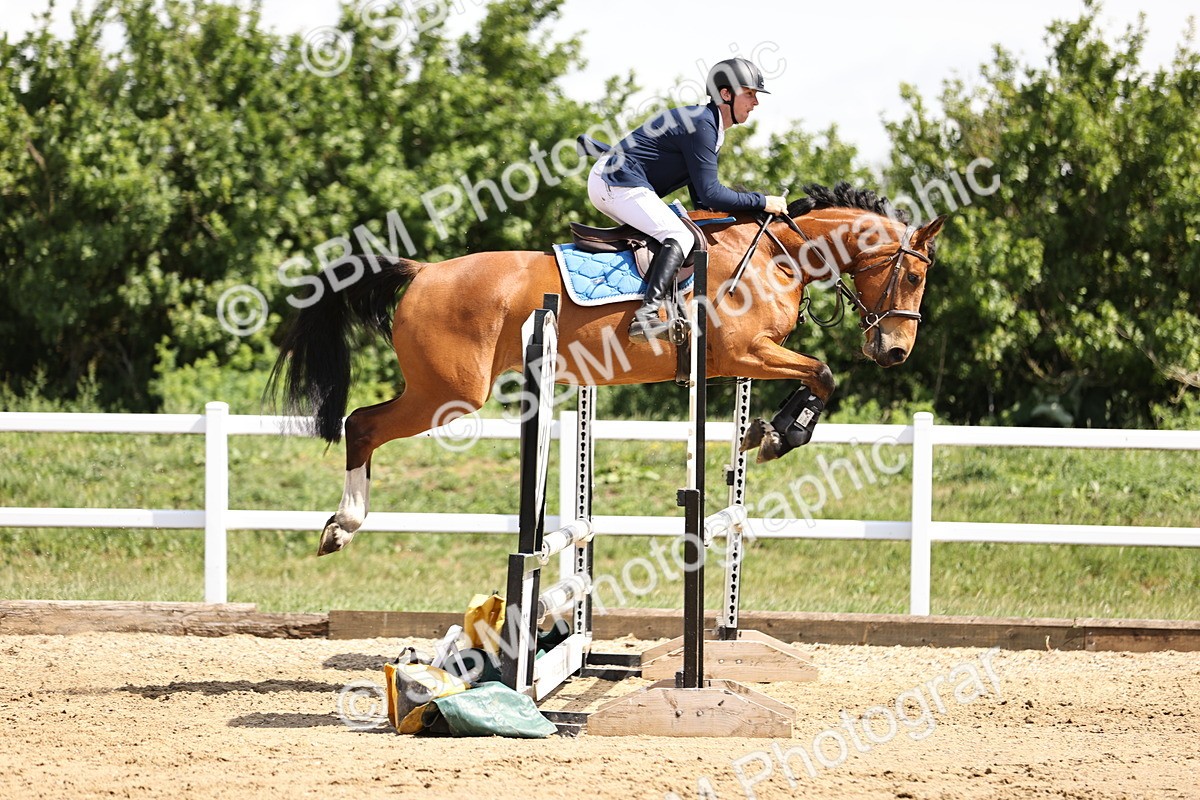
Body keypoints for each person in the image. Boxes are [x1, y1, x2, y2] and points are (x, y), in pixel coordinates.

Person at [588, 57, 788, 343]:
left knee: (682, 230)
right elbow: (711, 193)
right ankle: (645, 316)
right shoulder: (702, 125)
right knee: (678, 234)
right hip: (615, 181)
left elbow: (703, 201)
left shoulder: (710, 126)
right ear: (725, 94)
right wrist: (762, 201)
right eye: (750, 93)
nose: (755, 102)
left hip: (619, 181)